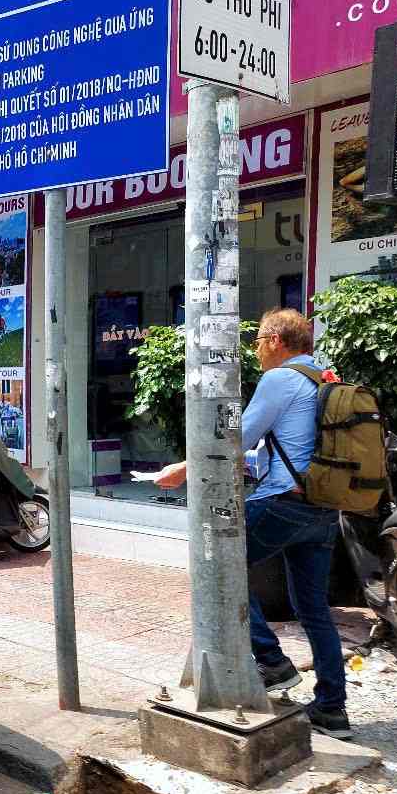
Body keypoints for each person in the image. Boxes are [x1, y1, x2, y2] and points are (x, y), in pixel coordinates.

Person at [154, 308, 350, 739]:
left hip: (283, 503)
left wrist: (184, 468)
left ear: (277, 340)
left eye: (260, 340)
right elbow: (281, 447)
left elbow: (235, 435)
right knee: (314, 609)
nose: (257, 349)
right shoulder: (325, 376)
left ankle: (273, 662)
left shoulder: (281, 379)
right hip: (322, 507)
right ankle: (333, 710)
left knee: (221, 569)